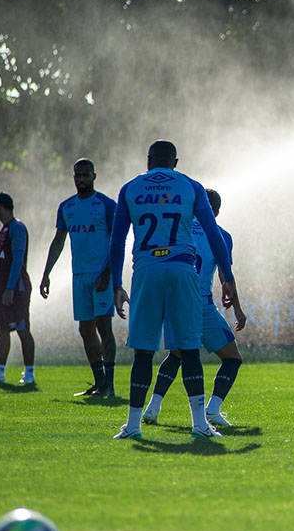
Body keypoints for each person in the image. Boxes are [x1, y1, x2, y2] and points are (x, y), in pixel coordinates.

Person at [108, 140, 237, 440]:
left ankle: (133, 426)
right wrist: (227, 276)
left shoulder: (130, 188)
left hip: (146, 270)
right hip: (182, 270)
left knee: (144, 351)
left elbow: (117, 242)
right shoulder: (191, 186)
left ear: (148, 160)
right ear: (175, 162)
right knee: (189, 348)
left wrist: (117, 284)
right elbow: (214, 234)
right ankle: (200, 425)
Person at [143, 188, 248, 426]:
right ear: (217, 212)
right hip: (201, 304)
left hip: (175, 301)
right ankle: (212, 409)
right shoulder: (222, 235)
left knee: (177, 354)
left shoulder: (177, 230)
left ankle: (153, 407)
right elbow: (226, 276)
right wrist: (238, 309)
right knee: (232, 358)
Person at [40, 159, 119, 397]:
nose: (81, 179)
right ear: (73, 177)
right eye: (77, 175)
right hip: (79, 275)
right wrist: (46, 274)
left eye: (85, 175)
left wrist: (108, 273)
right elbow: (58, 242)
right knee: (86, 330)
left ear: (94, 176)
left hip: (101, 274)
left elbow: (117, 243)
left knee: (104, 326)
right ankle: (99, 381)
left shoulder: (106, 204)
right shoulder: (67, 207)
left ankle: (110, 384)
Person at [0, 193, 37, 385]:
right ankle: (0, 372)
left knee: (22, 329)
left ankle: (29, 373)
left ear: (0, 207)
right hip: (2, 286)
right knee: (2, 329)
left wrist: (10, 288)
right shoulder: (3, 230)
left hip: (16, 287)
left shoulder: (17, 228)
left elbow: (18, 260)